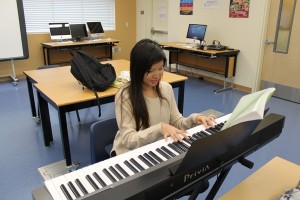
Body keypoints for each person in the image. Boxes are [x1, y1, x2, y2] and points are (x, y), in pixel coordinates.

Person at [111, 38, 216, 156]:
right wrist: (160, 128)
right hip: (130, 153)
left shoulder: (166, 89)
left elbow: (177, 122)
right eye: (151, 70)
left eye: (161, 68)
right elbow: (128, 140)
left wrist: (194, 118)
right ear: (137, 70)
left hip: (159, 148)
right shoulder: (125, 95)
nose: (157, 75)